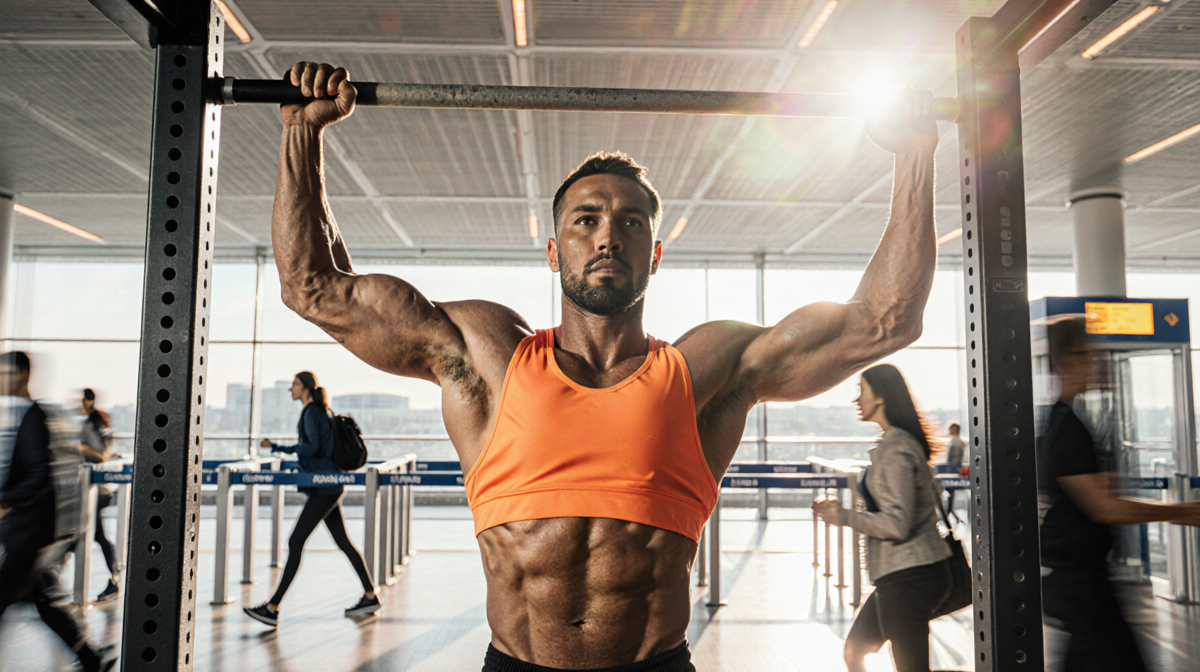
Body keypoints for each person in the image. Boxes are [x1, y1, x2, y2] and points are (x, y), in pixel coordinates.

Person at [271, 61, 939, 670]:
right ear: (553, 250)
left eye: (631, 222)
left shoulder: (707, 371)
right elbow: (315, 288)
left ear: (654, 254)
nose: (606, 235)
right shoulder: (485, 355)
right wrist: (302, 135)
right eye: (584, 220)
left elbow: (887, 319)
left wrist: (915, 153)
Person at [1038, 318, 1200, 672]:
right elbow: (1102, 507)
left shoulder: (1069, 422)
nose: (1095, 362)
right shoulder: (1067, 430)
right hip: (1081, 584)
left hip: (1083, 582)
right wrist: (1179, 511)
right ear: (1065, 360)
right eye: (1086, 354)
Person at [813, 364, 951, 672]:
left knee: (909, 667)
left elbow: (897, 525)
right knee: (855, 651)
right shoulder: (894, 443)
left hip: (911, 576)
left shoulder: (897, 448)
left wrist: (843, 516)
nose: (856, 399)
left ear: (881, 397)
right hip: (900, 575)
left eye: (862, 390)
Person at [0, 352, 114, 672]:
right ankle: (92, 657)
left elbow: (39, 476)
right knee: (46, 596)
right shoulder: (45, 415)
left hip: (30, 531)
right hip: (40, 529)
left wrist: (4, 500)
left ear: (21, 374)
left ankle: (93, 658)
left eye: (3, 372)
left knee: (18, 594)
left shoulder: (34, 417)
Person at [243, 371, 379, 627]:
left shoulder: (312, 412)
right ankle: (370, 595)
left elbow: (313, 447)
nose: (290, 389)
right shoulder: (318, 410)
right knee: (343, 542)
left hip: (324, 487)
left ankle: (272, 608)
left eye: (293, 384)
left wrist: (279, 447)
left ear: (305, 388)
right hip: (328, 485)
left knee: (296, 541)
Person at [78, 388, 120, 603]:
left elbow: (103, 455)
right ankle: (115, 577)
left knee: (97, 534)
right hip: (94, 485)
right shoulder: (97, 420)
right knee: (94, 533)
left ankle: (115, 578)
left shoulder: (96, 421)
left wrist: (81, 447)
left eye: (81, 399)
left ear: (90, 400)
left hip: (97, 486)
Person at [942, 421, 965, 523]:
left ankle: (947, 516)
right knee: (951, 494)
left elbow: (952, 460)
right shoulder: (960, 442)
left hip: (951, 472)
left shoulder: (954, 443)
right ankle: (951, 515)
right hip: (955, 472)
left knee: (946, 493)